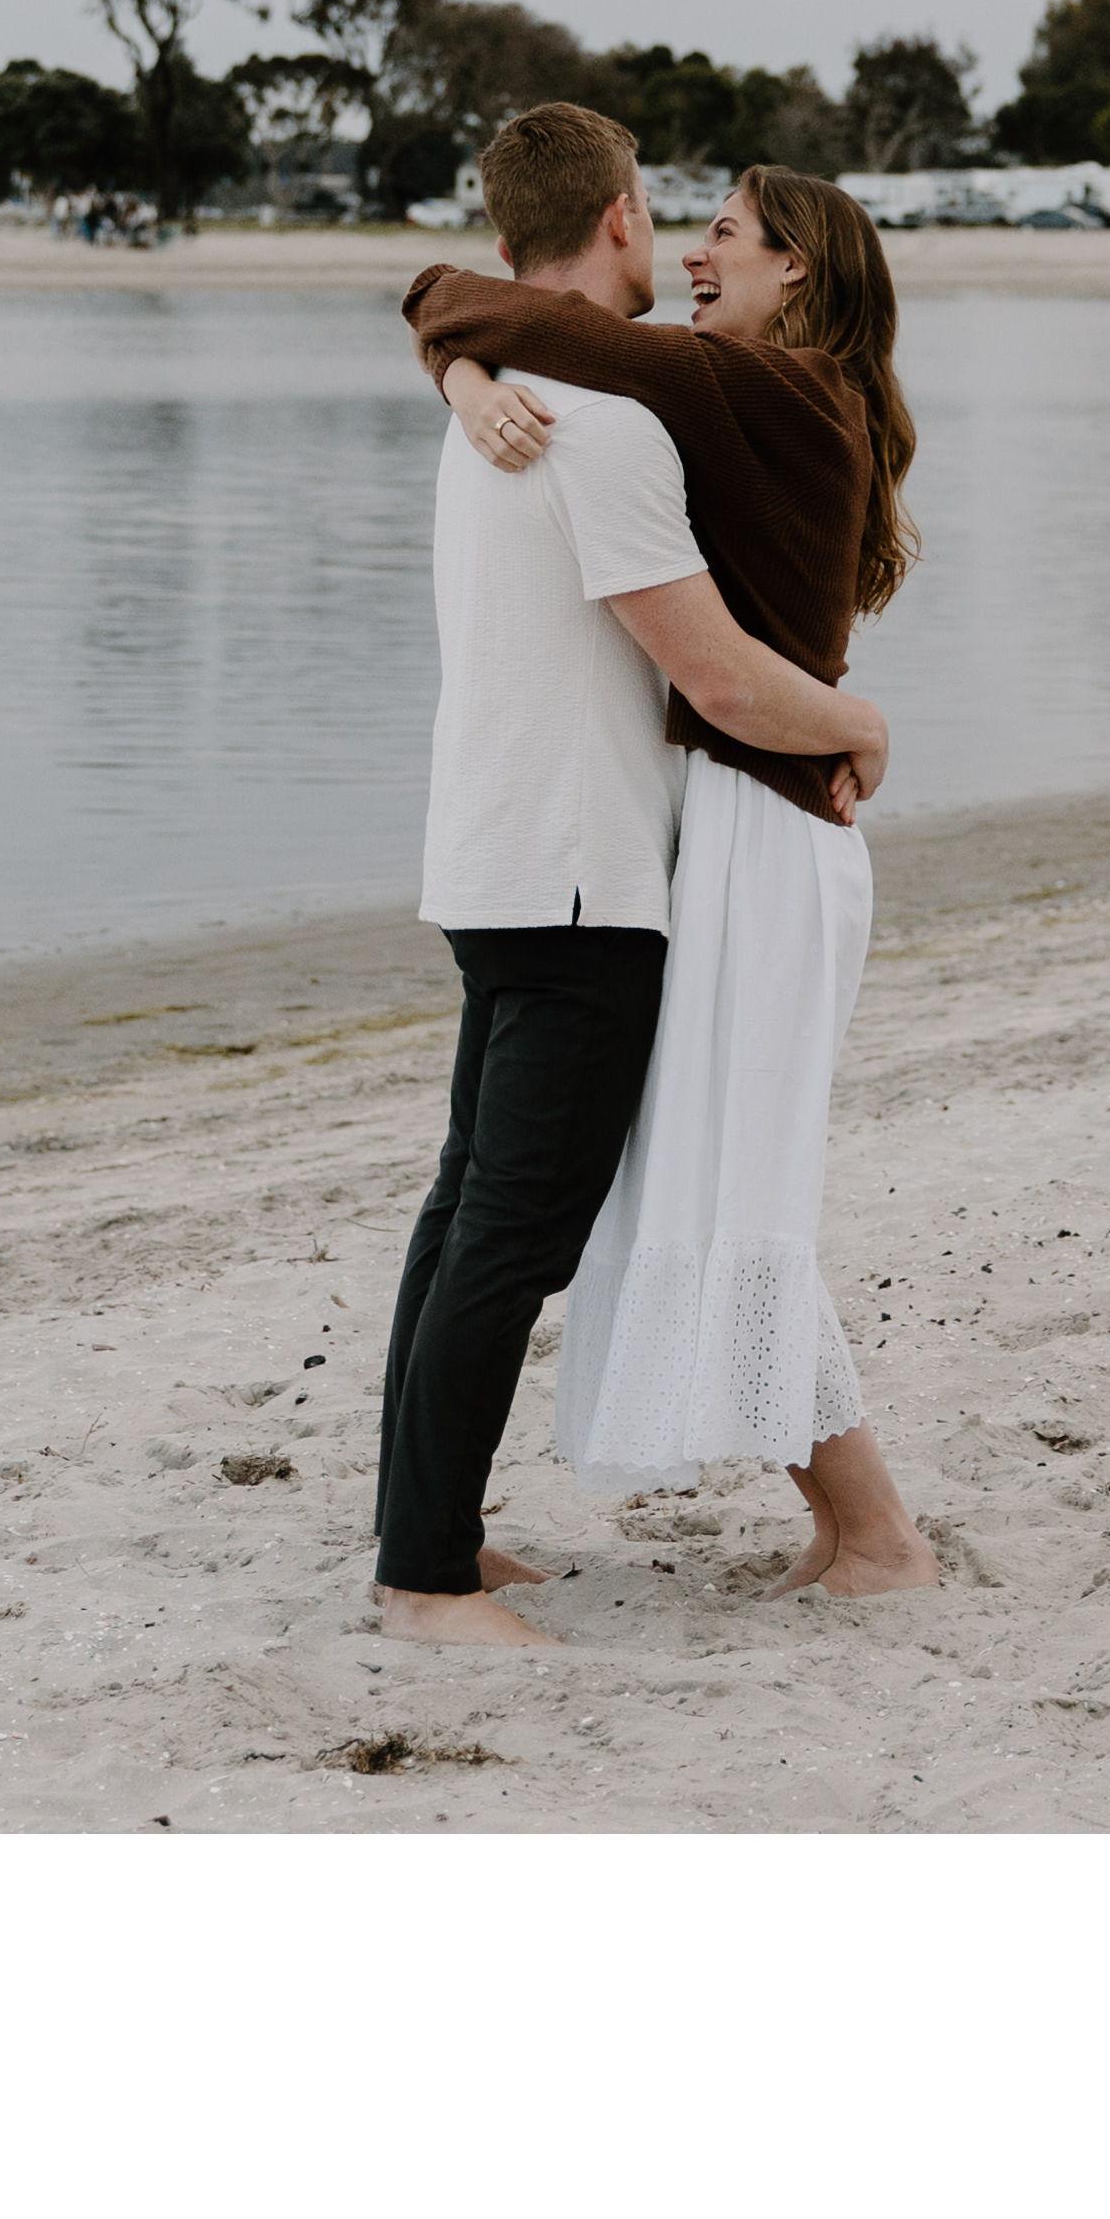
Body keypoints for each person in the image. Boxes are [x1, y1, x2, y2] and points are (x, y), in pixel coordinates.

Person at [374, 102, 896, 1653]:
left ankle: (427, 1538)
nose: (689, 244)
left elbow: (458, 305)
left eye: (729, 228)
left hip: (495, 850)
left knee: (470, 1211)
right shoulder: (597, 425)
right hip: (581, 869)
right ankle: (424, 1574)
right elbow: (716, 678)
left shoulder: (502, 411)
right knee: (509, 1232)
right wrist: (860, 725)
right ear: (619, 218)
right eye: (679, 218)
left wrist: (454, 357)